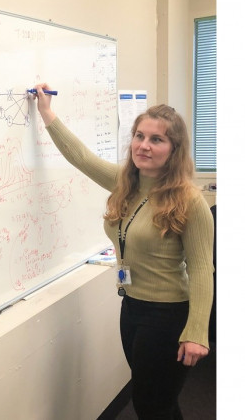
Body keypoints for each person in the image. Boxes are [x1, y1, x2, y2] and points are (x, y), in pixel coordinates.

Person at [33, 84, 213, 419]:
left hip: (168, 316)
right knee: (159, 401)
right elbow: (81, 158)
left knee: (150, 404)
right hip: (131, 310)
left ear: (174, 149)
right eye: (139, 136)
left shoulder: (190, 200)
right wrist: (47, 113)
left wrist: (198, 332)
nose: (144, 146)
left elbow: (203, 268)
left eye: (156, 139)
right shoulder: (127, 182)